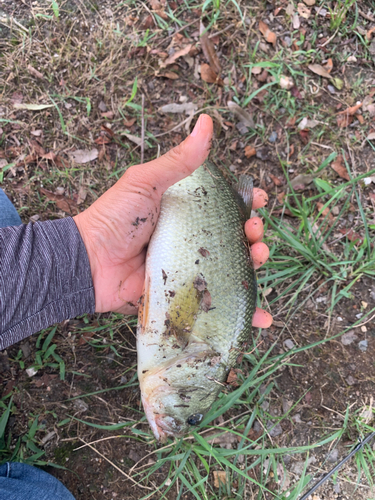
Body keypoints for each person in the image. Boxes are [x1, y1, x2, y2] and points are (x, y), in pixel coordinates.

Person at [0, 115, 272, 499]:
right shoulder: (182, 346)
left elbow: (183, 303)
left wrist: (87, 256)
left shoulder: (192, 346)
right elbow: (183, 304)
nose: (179, 422)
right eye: (189, 416)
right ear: (198, 366)